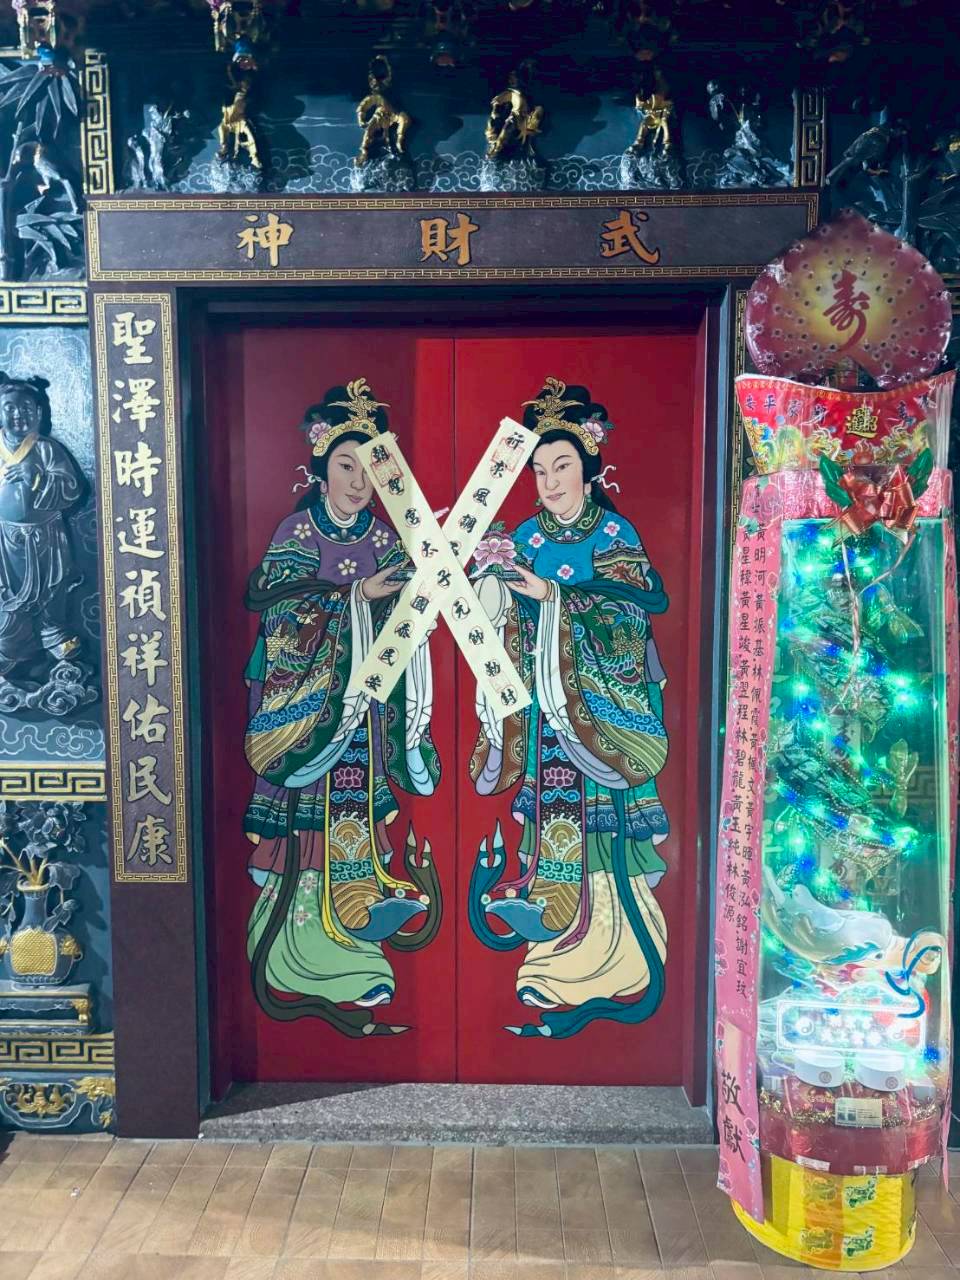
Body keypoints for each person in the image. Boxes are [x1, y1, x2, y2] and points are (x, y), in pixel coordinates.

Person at [469, 378, 671, 1038]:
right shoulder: (525, 535)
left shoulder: (614, 533)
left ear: (589, 470)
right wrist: (496, 590)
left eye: (562, 466)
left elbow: (635, 611)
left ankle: (613, 958)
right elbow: (503, 620)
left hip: (602, 709)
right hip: (544, 709)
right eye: (539, 470)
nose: (551, 481)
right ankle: (551, 952)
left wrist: (555, 599)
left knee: (604, 838)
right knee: (552, 829)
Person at [243, 379, 440, 1038]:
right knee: (307, 825)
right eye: (345, 466)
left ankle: (357, 931)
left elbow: (409, 611)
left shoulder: (384, 536)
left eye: (368, 469)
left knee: (353, 815)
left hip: (363, 713)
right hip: (306, 709)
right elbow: (275, 606)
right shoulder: (296, 532)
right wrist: (354, 597)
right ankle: (303, 952)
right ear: (320, 469)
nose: (358, 483)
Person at [0, 374, 84, 678]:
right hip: (5, 538)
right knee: (9, 593)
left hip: (46, 536)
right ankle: (13, 645)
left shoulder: (47, 449)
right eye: (10, 408)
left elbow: (72, 488)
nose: (18, 414)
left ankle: (55, 634)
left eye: (26, 408)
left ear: (38, 412)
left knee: (52, 589)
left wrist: (36, 476)